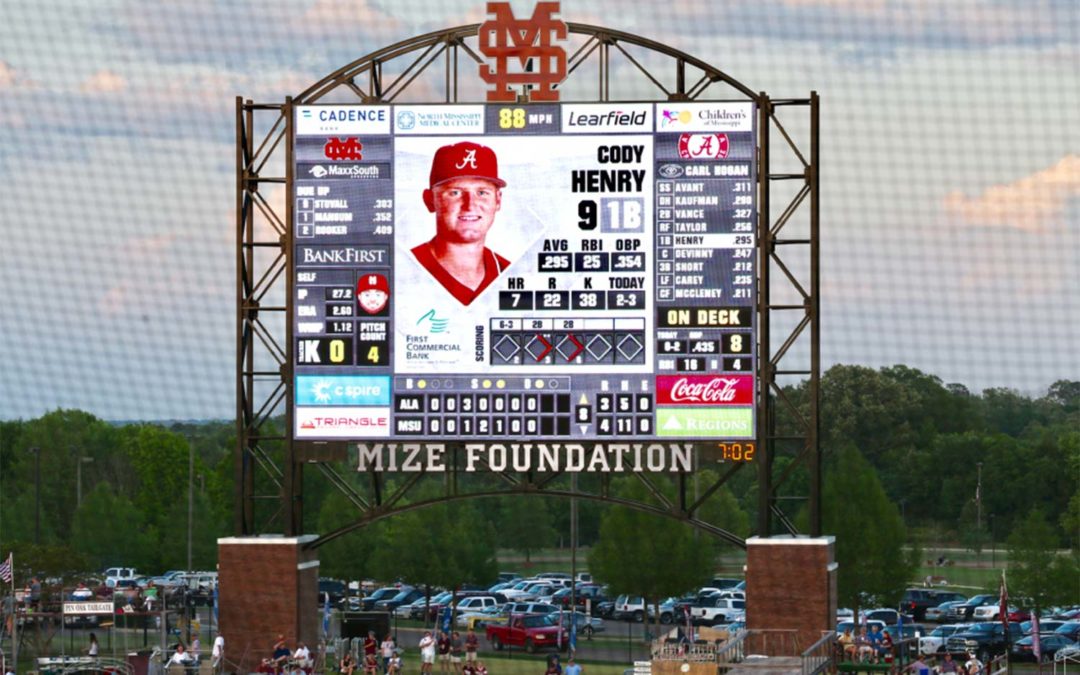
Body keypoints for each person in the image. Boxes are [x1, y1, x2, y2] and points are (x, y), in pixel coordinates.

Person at [410, 141, 510, 306]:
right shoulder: (406, 266)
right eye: (455, 192)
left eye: (482, 192)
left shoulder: (509, 272)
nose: (470, 205)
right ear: (430, 200)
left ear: (498, 200)